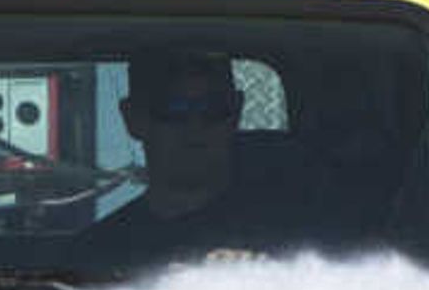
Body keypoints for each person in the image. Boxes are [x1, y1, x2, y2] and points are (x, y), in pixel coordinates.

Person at [78, 49, 310, 271]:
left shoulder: (297, 245)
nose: (195, 126)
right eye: (172, 110)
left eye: (214, 109)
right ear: (133, 118)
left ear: (237, 113)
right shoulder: (96, 255)